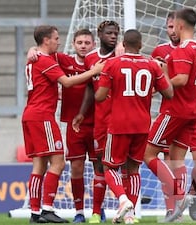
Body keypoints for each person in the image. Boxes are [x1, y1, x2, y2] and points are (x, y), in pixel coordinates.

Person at [23, 25, 103, 224]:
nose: (59, 42)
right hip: (42, 116)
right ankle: (47, 209)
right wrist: (94, 71)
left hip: (31, 114)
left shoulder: (36, 59)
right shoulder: (45, 59)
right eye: (56, 38)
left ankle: (35, 213)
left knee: (39, 165)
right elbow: (66, 83)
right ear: (46, 40)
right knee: (58, 161)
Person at [95, 29, 173, 224]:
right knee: (134, 169)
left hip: (119, 124)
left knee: (110, 167)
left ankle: (123, 200)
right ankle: (130, 216)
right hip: (142, 125)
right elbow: (169, 93)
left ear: (123, 44)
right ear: (140, 45)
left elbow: (100, 96)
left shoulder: (112, 64)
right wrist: (161, 73)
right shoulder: (152, 65)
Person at [143, 8, 196, 223]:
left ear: (180, 26)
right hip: (179, 109)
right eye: (168, 26)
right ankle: (175, 207)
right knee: (174, 160)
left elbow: (185, 78)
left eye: (174, 26)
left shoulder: (191, 48)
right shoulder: (161, 50)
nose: (172, 30)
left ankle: (187, 195)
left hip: (183, 111)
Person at [72, 20, 120, 224]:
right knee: (99, 165)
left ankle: (126, 210)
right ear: (99, 35)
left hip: (120, 119)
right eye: (110, 33)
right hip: (100, 121)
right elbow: (90, 88)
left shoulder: (122, 55)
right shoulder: (91, 58)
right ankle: (95, 212)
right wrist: (82, 112)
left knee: (123, 166)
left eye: (116, 33)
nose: (114, 36)